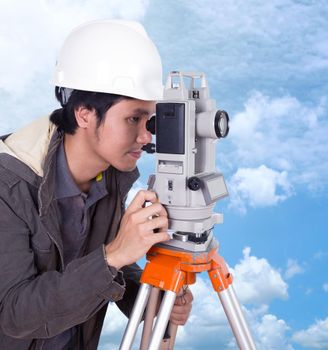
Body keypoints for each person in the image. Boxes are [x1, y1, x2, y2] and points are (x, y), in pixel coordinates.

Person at [0, 19, 193, 349]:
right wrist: (113, 255)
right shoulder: (10, 186)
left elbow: (109, 264)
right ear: (85, 113)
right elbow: (14, 315)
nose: (146, 136)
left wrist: (153, 299)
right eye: (133, 118)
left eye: (150, 120)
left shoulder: (110, 177)